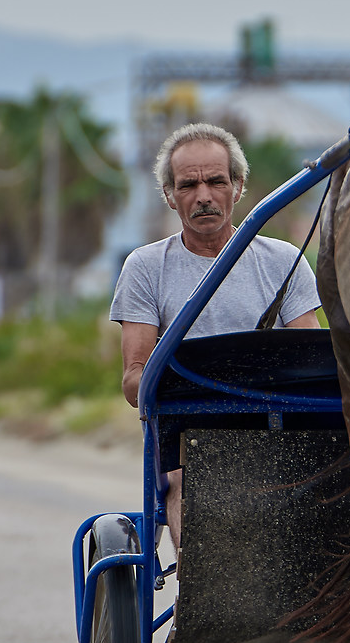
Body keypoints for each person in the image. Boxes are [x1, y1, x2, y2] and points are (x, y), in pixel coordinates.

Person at [110, 122, 320, 549]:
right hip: (191, 435)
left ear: (238, 187)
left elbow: (311, 363)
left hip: (278, 428)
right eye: (188, 185)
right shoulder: (146, 267)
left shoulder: (284, 261)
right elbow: (136, 381)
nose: (203, 195)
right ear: (170, 195)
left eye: (216, 181)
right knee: (189, 485)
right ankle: (205, 602)